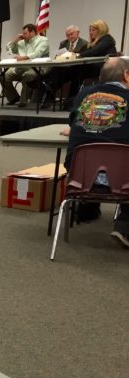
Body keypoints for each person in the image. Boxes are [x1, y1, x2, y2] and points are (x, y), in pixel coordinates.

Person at [63, 57, 129, 248]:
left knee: (91, 150)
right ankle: (125, 226)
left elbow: (74, 122)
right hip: (122, 181)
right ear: (126, 75)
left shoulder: (83, 94)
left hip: (80, 179)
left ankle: (87, 208)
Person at [0, 24, 50, 108]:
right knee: (3, 76)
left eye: (25, 33)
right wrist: (15, 40)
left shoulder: (43, 40)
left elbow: (37, 54)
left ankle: (23, 102)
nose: (23, 35)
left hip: (37, 69)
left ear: (32, 32)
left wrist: (24, 57)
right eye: (23, 33)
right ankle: (14, 98)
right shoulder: (22, 42)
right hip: (21, 68)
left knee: (27, 75)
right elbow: (8, 48)